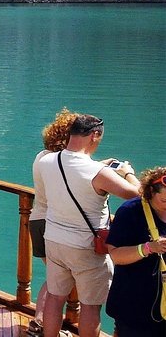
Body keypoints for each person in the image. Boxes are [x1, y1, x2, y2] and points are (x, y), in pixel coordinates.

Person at [38, 114, 141, 337]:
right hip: (85, 247)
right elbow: (136, 194)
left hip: (54, 239)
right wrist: (127, 172)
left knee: (55, 298)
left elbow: (75, 171)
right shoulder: (97, 172)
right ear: (94, 135)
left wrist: (100, 167)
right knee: (90, 305)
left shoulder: (47, 161)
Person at [27, 108, 79, 337]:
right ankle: (45, 327)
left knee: (54, 278)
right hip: (53, 223)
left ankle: (39, 322)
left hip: (37, 220)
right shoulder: (63, 163)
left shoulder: (42, 157)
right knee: (58, 281)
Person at [106, 167, 166, 337]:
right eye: (164, 200)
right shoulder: (130, 212)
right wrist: (148, 248)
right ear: (150, 192)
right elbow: (116, 255)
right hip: (134, 304)